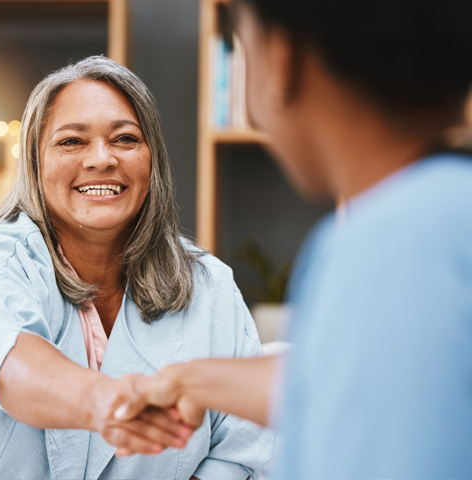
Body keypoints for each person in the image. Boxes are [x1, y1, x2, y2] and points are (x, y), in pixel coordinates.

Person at [0, 56, 273, 480]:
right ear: (35, 163)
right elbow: (9, 362)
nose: (102, 159)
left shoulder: (209, 284)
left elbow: (245, 449)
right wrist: (107, 403)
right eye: (72, 141)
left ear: (152, 160)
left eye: (125, 139)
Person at [114, 0, 472, 478]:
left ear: (280, 59)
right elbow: (375, 384)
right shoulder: (443, 214)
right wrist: (191, 380)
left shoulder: (387, 247)